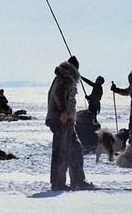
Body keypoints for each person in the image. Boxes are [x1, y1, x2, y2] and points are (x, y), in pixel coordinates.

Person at [46, 56, 94, 191]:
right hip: (62, 120)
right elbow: (58, 94)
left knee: (76, 148)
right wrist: (63, 113)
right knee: (62, 151)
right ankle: (58, 183)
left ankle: (77, 180)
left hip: (65, 120)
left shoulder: (61, 77)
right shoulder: (66, 78)